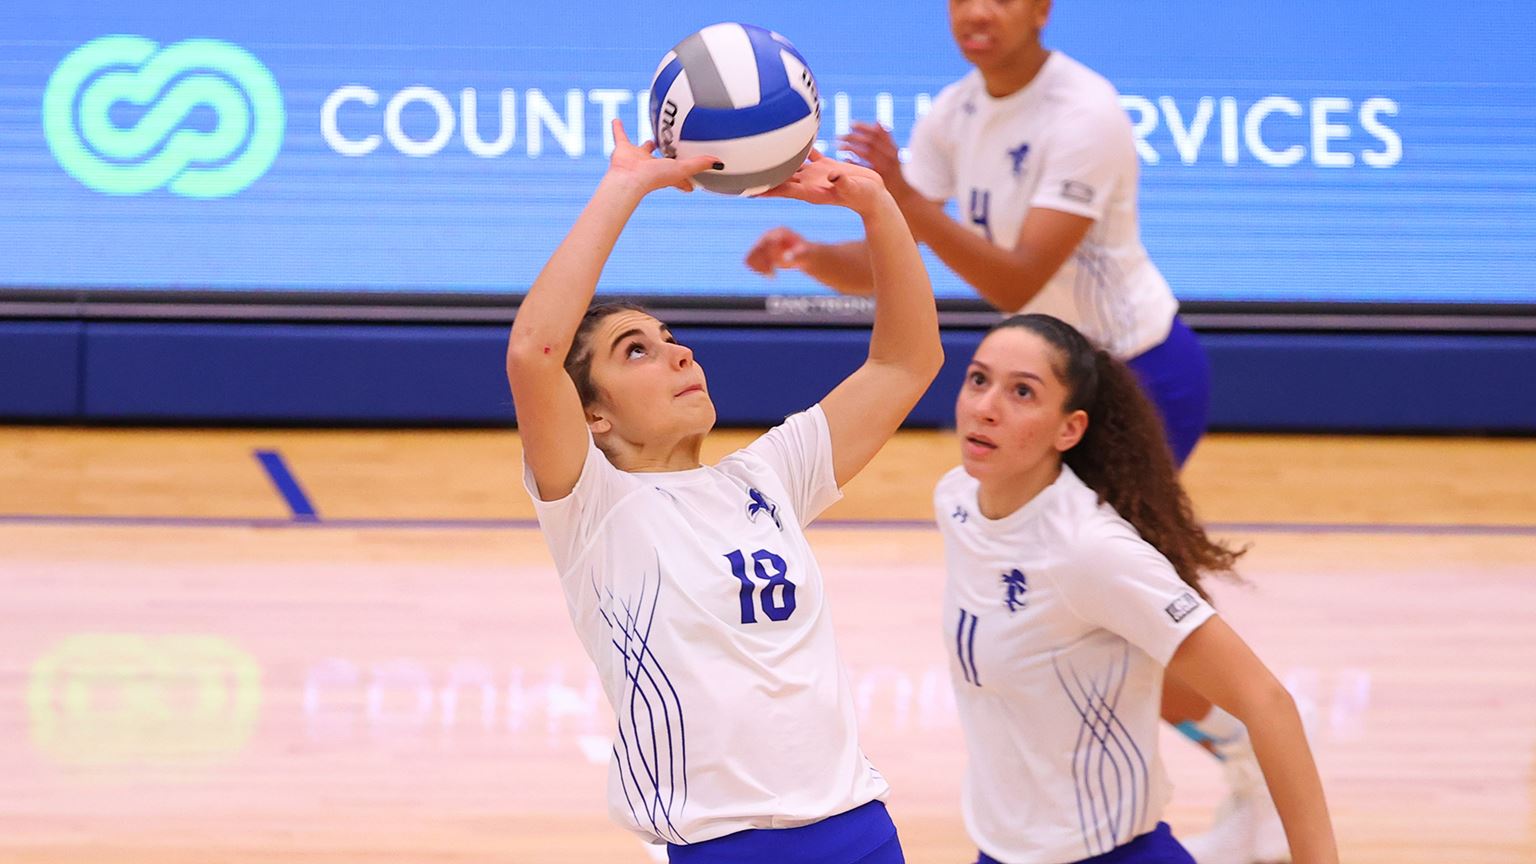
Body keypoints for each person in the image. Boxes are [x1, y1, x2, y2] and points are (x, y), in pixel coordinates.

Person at [744, 3, 1276, 860]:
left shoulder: (1084, 113)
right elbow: (904, 244)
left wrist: (904, 199)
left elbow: (1014, 274)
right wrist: (809, 253)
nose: (977, 11)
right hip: (1052, 385)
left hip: (1139, 377)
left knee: (1122, 604)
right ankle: (1223, 761)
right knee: (1090, 614)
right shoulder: (955, 110)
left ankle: (1250, 761)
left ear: (1041, 8)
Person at [506, 120, 943, 863]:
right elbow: (532, 354)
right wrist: (626, 188)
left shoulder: (767, 477)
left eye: (671, 338)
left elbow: (907, 362)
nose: (677, 353)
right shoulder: (592, 506)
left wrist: (877, 208)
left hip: (861, 830)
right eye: (635, 351)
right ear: (593, 414)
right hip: (726, 847)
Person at [933, 313, 1336, 864]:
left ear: (1068, 429)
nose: (985, 406)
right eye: (979, 380)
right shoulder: (957, 500)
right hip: (1001, 852)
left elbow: (1268, 701)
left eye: (1022, 392)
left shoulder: (1089, 550)